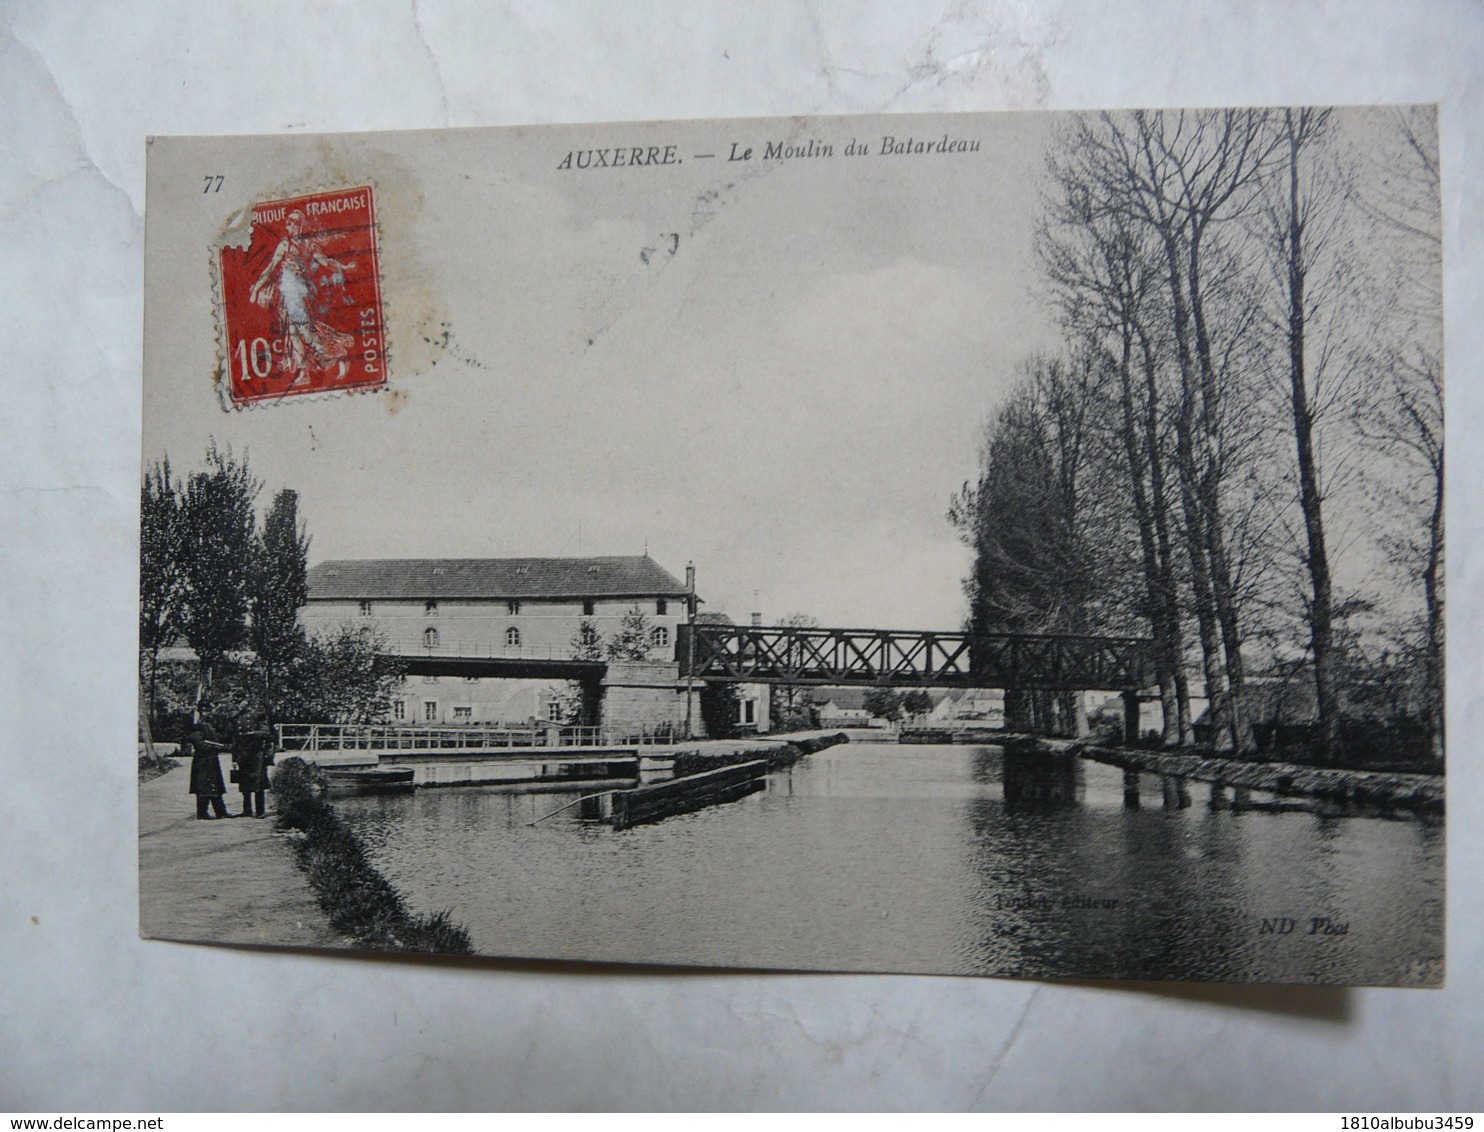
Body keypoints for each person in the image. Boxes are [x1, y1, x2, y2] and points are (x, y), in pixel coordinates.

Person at [248, 209, 356, 387]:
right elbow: (271, 268)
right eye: (289, 224)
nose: (290, 227)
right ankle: (304, 372)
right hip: (287, 292)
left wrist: (344, 267)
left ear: (300, 225)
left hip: (298, 293)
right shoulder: (285, 244)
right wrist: (256, 290)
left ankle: (338, 354)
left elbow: (325, 262)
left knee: (304, 330)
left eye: (294, 223)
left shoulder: (307, 244)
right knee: (293, 332)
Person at [184, 723, 230, 820]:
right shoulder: (197, 727)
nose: (207, 714)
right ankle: (202, 813)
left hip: (212, 761)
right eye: (205, 711)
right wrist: (217, 747)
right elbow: (200, 745)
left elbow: (217, 739)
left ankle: (221, 812)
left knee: (215, 787)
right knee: (203, 788)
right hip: (202, 762)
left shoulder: (210, 726)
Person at [233, 727, 274, 819]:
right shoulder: (237, 717)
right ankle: (247, 810)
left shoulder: (259, 715)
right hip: (243, 754)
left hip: (257, 754)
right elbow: (235, 739)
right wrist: (234, 757)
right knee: (244, 782)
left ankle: (260, 811)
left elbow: (268, 734)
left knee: (258, 783)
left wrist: (254, 733)